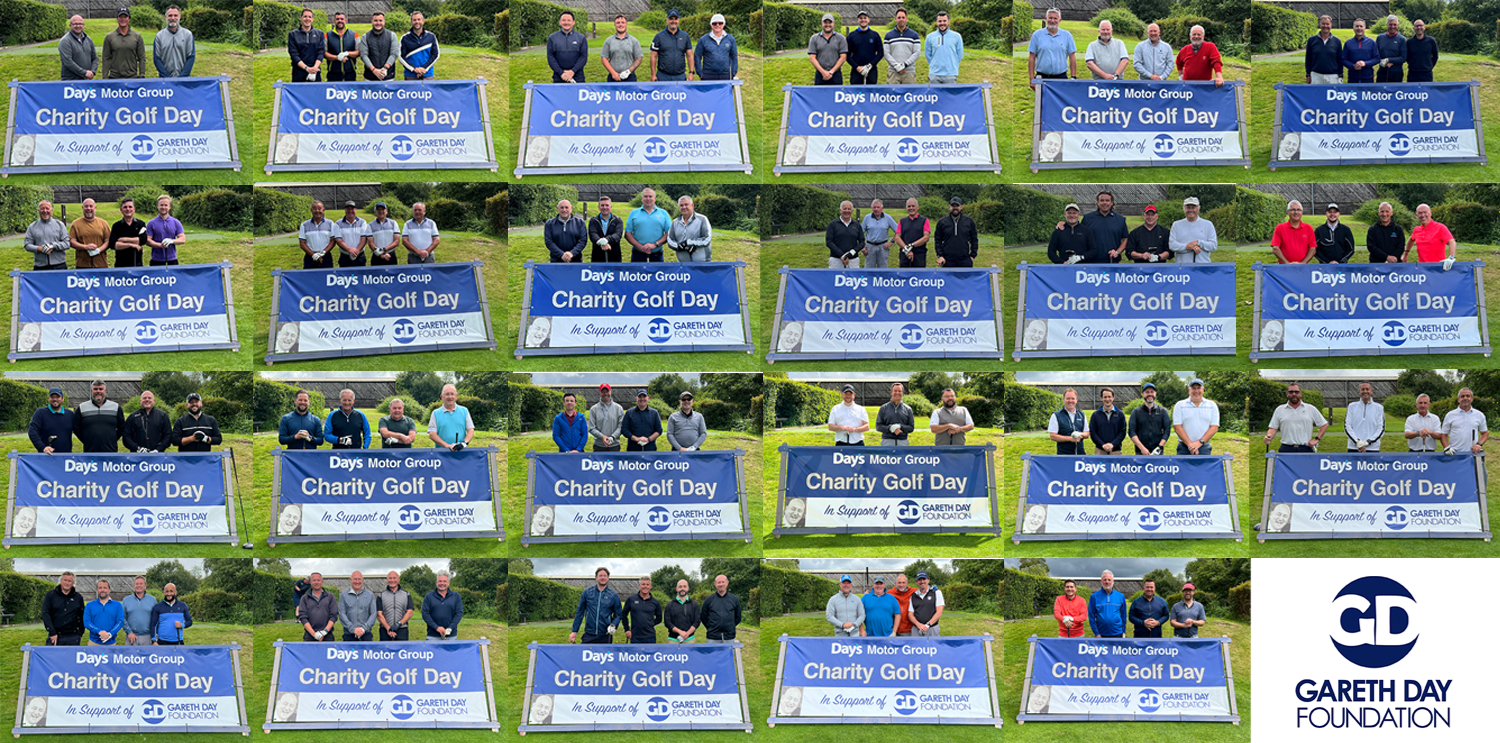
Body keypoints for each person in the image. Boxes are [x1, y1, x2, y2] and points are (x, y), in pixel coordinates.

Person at [1264, 383, 1329, 453]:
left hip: (1305, 449)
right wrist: (1269, 437)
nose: (1294, 394)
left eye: (1296, 392)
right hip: (1286, 449)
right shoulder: (1279, 410)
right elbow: (1273, 428)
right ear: (1287, 394)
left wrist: (1316, 439)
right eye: (1291, 392)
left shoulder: (1310, 408)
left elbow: (1324, 424)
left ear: (1300, 394)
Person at [569, 567, 620, 644]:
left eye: (605, 576)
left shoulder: (613, 595)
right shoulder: (587, 593)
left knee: (605, 655)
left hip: (605, 635)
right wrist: (574, 631)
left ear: (608, 578)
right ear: (596, 577)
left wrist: (613, 625)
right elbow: (580, 612)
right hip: (589, 634)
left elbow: (618, 614)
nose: (603, 578)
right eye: (600, 575)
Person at [1028, 8, 1074, 85]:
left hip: (1061, 77)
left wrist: (1073, 77)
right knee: (1042, 97)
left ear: (1059, 20)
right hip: (1042, 77)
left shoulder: (1067, 35)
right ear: (1046, 19)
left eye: (1055, 18)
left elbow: (1072, 56)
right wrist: (1032, 79)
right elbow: (1031, 57)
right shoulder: (1037, 35)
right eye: (1050, 18)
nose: (1052, 21)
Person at [1173, 378, 1220, 454]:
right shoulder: (1180, 405)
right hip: (1184, 448)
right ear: (1189, 390)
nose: (1196, 391)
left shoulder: (1212, 405)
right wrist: (1190, 445)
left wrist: (1199, 443)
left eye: (1199, 388)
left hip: (1204, 447)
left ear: (1203, 390)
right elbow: (1177, 428)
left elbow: (1214, 428)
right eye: (1193, 388)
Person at [75, 380, 124, 453]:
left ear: (105, 390)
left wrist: (112, 439)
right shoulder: (82, 407)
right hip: (89, 451)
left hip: (111, 451)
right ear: (91, 391)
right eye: (95, 389)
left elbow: (122, 427)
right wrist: (87, 440)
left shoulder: (116, 407)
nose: (98, 391)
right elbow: (76, 428)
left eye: (101, 389)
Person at [625, 189, 672, 263]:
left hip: (657, 254)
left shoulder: (663, 213)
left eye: (650, 196)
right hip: (638, 254)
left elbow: (669, 233)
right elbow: (628, 234)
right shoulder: (633, 213)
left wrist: (655, 245)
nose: (648, 199)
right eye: (645, 196)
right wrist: (641, 247)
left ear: (655, 198)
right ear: (642, 198)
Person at [1404, 204, 1457, 268]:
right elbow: (1411, 239)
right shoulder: (1416, 229)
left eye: (1425, 212)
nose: (1423, 215)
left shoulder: (1440, 227)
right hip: (1422, 268)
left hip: (1437, 267)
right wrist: (1405, 254)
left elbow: (1452, 241)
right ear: (1417, 215)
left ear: (1430, 213)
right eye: (1420, 213)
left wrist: (1451, 257)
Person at [1082, 191, 1128, 262]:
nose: (1104, 203)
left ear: (1112, 203)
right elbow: (1078, 234)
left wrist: (1117, 252)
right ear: (1097, 202)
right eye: (1102, 200)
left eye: (1107, 200)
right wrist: (1063, 223)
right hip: (1091, 262)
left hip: (1112, 261)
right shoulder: (1087, 218)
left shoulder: (1120, 219)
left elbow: (1125, 239)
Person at [1169, 196, 1217, 263]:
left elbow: (1213, 246)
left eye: (1193, 207)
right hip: (1182, 268)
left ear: (1198, 209)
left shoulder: (1208, 224)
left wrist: (1198, 243)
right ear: (1184, 209)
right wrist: (1187, 247)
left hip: (1203, 267)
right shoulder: (1176, 225)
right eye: (1188, 207)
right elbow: (1172, 245)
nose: (1190, 210)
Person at [24, 201, 70, 271]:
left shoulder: (60, 225)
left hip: (59, 265)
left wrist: (53, 245)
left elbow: (67, 244)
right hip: (40, 266)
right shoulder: (32, 226)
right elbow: (27, 245)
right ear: (39, 210)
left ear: (51, 210)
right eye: (42, 209)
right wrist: (40, 248)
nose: (45, 211)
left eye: (47, 208)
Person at [1127, 383, 1172, 455]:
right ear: (1143, 394)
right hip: (1140, 452)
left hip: (1157, 452)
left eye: (1152, 392)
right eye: (1147, 392)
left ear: (1155, 393)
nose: (1150, 394)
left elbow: (1167, 431)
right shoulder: (1136, 412)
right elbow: (1131, 431)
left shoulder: (1163, 411)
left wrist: (1159, 447)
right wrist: (1142, 448)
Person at [42, 572, 86, 646]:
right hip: (55, 636)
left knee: (71, 658)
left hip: (73, 637)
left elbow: (82, 616)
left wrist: (80, 633)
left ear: (73, 583)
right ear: (61, 581)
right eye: (65, 580)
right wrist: (52, 632)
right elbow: (45, 613)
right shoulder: (50, 595)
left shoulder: (78, 598)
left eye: (69, 581)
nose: (67, 583)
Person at [1441, 387, 1488, 455]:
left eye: (1468, 396)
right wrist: (1446, 447)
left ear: (1471, 399)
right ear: (1458, 399)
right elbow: (1443, 434)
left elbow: (1485, 433)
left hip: (1472, 454)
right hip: (1454, 454)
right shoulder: (1450, 415)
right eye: (1462, 396)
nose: (1465, 398)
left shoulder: (1479, 415)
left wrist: (1479, 444)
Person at [935, 197, 978, 268]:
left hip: (965, 260)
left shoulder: (969, 221)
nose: (955, 208)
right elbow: (938, 240)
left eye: (957, 206)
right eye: (953, 206)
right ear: (949, 207)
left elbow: (974, 239)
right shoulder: (942, 222)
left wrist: (973, 256)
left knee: (965, 279)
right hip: (947, 260)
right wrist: (940, 256)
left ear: (961, 207)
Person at [652, 9, 695, 81]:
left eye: (676, 19)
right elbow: (653, 56)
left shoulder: (685, 36)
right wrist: (653, 74)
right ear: (667, 20)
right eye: (671, 19)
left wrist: (691, 72)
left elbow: (690, 55)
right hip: (663, 75)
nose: (673, 21)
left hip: (680, 76)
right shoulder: (659, 37)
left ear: (679, 20)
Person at [429, 385, 475, 451]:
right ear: (442, 397)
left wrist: (463, 444)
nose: (450, 397)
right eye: (447, 394)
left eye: (452, 394)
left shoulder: (464, 411)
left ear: (456, 396)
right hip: (442, 454)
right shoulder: (435, 413)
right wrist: (447, 446)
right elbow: (432, 434)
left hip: (461, 453)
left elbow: (471, 430)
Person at [102, 8, 145, 79]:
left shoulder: (137, 36)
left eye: (125, 17)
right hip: (115, 77)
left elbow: (142, 58)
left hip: (132, 77)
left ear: (129, 19)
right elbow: (106, 58)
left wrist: (142, 75)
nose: (123, 19)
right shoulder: (110, 37)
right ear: (117, 19)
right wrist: (105, 77)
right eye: (120, 17)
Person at [667, 195, 713, 262]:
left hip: (702, 264)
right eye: (681, 205)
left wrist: (689, 243)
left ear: (692, 205)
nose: (684, 207)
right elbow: (670, 239)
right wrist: (678, 246)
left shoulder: (702, 219)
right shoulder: (675, 222)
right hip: (683, 265)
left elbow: (707, 239)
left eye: (686, 204)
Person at [68, 199, 111, 269]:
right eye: (86, 206)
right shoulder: (76, 224)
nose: (88, 208)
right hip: (82, 264)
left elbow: (108, 240)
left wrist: (99, 250)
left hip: (101, 264)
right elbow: (71, 241)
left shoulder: (103, 223)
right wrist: (85, 247)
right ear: (82, 208)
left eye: (91, 206)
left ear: (95, 208)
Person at [1269, 200, 1316, 264]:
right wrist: (1287, 263)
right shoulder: (1280, 228)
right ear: (1288, 212)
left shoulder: (1308, 228)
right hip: (1284, 267)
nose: (1296, 212)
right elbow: (1275, 248)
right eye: (1293, 210)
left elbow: (1313, 249)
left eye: (1298, 210)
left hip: (1303, 267)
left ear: (1302, 212)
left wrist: (1303, 263)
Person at [884, 8, 921, 84]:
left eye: (903, 17)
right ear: (895, 19)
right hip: (893, 73)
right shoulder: (888, 35)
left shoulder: (914, 35)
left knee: (909, 94)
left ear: (906, 19)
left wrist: (904, 65)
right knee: (892, 95)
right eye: (899, 17)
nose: (901, 19)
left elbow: (916, 53)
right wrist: (896, 66)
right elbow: (886, 53)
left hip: (909, 72)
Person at [108, 197, 148, 268]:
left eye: (130, 207)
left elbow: (143, 240)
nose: (128, 209)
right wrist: (131, 245)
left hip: (137, 263)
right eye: (125, 207)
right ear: (121, 210)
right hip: (121, 264)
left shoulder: (141, 224)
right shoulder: (116, 226)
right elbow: (113, 244)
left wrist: (124, 240)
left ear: (134, 209)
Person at [145, 195, 185, 266]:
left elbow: (182, 239)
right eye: (161, 205)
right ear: (157, 206)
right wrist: (159, 245)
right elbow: (147, 241)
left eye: (166, 205)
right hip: (156, 260)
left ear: (169, 207)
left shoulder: (175, 222)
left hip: (172, 259)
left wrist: (172, 241)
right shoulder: (151, 223)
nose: (163, 207)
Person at [547, 11, 586, 82]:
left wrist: (572, 71)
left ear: (573, 22)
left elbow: (583, 57)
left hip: (578, 77)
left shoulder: (581, 38)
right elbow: (550, 57)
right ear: (560, 22)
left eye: (569, 20)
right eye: (564, 20)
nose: (566, 23)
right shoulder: (552, 38)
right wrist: (561, 73)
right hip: (559, 77)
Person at [621, 577, 663, 644]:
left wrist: (650, 624)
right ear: (639, 585)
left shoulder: (655, 602)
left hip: (650, 637)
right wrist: (627, 630)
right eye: (643, 584)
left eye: (647, 584)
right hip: (635, 636)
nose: (645, 586)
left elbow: (659, 618)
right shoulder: (631, 599)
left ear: (650, 586)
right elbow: (623, 614)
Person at [700, 574, 741, 643]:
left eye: (723, 582)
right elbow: (703, 617)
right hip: (712, 637)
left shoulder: (734, 599)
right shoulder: (709, 600)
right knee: (712, 654)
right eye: (719, 582)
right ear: (715, 584)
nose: (721, 584)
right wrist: (710, 627)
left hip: (729, 637)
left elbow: (738, 617)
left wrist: (730, 626)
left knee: (728, 654)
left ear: (727, 583)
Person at [695, 14, 738, 80]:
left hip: (725, 75)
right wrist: (700, 73)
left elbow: (734, 56)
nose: (717, 25)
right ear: (711, 25)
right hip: (708, 75)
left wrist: (733, 73)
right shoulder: (703, 40)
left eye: (720, 23)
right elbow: (697, 56)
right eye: (714, 23)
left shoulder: (730, 39)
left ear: (723, 24)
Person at [808, 14, 847, 85]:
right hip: (820, 74)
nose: (828, 25)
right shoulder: (814, 38)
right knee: (819, 95)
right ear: (822, 23)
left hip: (836, 74)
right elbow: (812, 58)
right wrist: (823, 72)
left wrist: (831, 72)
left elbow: (843, 57)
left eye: (830, 22)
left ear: (833, 23)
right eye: (825, 22)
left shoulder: (841, 38)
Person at [1346, 382, 1386, 452]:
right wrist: (1357, 442)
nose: (1365, 391)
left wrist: (1368, 442)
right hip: (1354, 448)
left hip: (1373, 448)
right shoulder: (1351, 406)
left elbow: (1381, 428)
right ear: (1359, 391)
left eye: (1367, 389)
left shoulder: (1379, 408)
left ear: (1371, 391)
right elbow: (1347, 427)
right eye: (1363, 389)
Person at [601, 15, 642, 82]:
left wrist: (628, 71)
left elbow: (639, 58)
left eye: (623, 22)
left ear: (626, 24)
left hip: (630, 77)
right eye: (618, 23)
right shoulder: (609, 41)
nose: (620, 25)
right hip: (613, 77)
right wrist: (613, 73)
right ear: (614, 24)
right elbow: (604, 58)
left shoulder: (634, 41)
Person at [421, 572, 463, 639]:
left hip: (451, 636)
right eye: (440, 581)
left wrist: (450, 628)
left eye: (444, 581)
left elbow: (459, 613)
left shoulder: (456, 596)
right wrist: (437, 628)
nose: (442, 583)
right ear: (436, 582)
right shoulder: (429, 596)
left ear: (448, 583)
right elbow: (425, 614)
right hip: (432, 636)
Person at [287, 9, 325, 82]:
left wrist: (314, 68)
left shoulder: (319, 34)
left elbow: (321, 52)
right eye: (305, 17)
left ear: (313, 19)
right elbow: (294, 54)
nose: (307, 19)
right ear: (301, 18)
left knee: (315, 93)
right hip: (299, 72)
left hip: (315, 71)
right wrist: (307, 68)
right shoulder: (293, 34)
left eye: (309, 17)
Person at [860, 199, 898, 269]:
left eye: (878, 207)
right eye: (874, 207)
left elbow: (898, 231)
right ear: (872, 208)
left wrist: (891, 242)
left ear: (882, 208)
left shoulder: (888, 218)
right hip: (870, 247)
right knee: (869, 270)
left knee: (883, 269)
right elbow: (860, 233)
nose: (876, 209)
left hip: (883, 247)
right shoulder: (867, 218)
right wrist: (862, 246)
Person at [357, 11, 396, 81]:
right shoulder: (365, 37)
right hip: (370, 77)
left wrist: (384, 69)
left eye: (380, 20)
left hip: (388, 76)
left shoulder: (392, 36)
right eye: (375, 20)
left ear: (384, 21)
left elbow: (394, 54)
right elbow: (363, 55)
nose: (378, 23)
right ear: (372, 22)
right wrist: (374, 70)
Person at [847, 11, 883, 84]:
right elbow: (847, 54)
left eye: (865, 18)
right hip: (856, 70)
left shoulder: (875, 35)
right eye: (861, 18)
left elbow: (880, 53)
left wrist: (870, 65)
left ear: (868, 19)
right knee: (857, 93)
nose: (863, 20)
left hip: (871, 70)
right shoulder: (851, 36)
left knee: (870, 92)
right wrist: (857, 67)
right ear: (858, 20)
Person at [1088, 570, 1127, 638]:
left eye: (1109, 580)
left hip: (1118, 633)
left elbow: (1124, 615)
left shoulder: (1120, 596)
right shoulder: (1094, 596)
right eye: (1104, 580)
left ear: (1113, 581)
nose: (1107, 582)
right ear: (1101, 582)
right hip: (1101, 634)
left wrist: (1123, 631)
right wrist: (1096, 633)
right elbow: (1091, 616)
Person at [1048, 388, 1088, 455]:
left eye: (1073, 398)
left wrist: (1079, 434)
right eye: (1068, 398)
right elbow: (1053, 436)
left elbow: (1087, 433)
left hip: (1080, 454)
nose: (1070, 401)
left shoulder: (1082, 414)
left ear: (1076, 400)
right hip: (1064, 455)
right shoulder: (1056, 415)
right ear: (1064, 399)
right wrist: (1071, 439)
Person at [400, 11, 439, 79]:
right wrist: (414, 69)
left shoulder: (431, 36)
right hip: (410, 74)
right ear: (411, 22)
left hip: (427, 74)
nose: (417, 22)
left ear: (423, 21)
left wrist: (424, 68)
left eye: (419, 19)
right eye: (414, 20)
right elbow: (401, 56)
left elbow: (436, 54)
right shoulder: (405, 38)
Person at [297, 573, 336, 641]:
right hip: (309, 635)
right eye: (314, 580)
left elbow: (333, 616)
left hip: (327, 635)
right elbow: (303, 617)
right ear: (310, 582)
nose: (316, 582)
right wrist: (314, 634)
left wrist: (324, 632)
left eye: (318, 580)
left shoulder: (330, 597)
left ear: (322, 582)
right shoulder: (304, 598)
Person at [339, 571, 377, 641]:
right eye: (355, 579)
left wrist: (363, 629)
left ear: (363, 580)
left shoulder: (370, 595)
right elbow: (342, 614)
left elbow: (373, 614)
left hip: (366, 635)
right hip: (349, 635)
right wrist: (353, 629)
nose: (357, 581)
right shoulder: (343, 595)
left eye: (359, 579)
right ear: (350, 580)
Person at [83, 579, 123, 646]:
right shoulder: (89, 605)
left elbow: (120, 621)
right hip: (93, 643)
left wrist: (110, 633)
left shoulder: (117, 605)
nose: (102, 590)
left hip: (111, 643)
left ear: (109, 589)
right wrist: (99, 631)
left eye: (105, 588)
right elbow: (87, 622)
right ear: (97, 589)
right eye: (100, 588)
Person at [377, 571, 414, 641]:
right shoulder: (381, 595)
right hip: (385, 631)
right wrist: (388, 628)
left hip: (402, 630)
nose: (392, 580)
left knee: (402, 651)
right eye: (390, 578)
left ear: (398, 579)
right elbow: (379, 614)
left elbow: (410, 612)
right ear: (387, 580)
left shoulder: (406, 595)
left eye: (394, 578)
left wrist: (398, 624)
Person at [59, 15, 98, 80]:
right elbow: (68, 62)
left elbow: (95, 58)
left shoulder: (88, 40)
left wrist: (92, 72)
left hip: (87, 80)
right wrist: (84, 73)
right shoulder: (65, 41)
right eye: (75, 24)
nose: (78, 26)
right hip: (71, 82)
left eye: (80, 24)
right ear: (70, 25)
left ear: (84, 25)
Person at [588, 384, 624, 453]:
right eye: (603, 392)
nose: (605, 394)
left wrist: (612, 437)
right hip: (599, 446)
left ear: (611, 392)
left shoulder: (619, 408)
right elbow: (592, 428)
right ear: (599, 392)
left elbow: (620, 427)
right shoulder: (593, 409)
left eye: (607, 391)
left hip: (614, 446)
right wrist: (602, 437)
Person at [896, 198, 931, 267]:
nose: (911, 208)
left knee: (919, 276)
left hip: (919, 255)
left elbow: (926, 237)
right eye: (909, 206)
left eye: (913, 206)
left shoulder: (924, 220)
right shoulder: (902, 221)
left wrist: (912, 245)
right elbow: (897, 237)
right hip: (905, 254)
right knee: (904, 276)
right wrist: (907, 250)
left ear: (917, 207)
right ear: (906, 208)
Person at [1305, 15, 1341, 84]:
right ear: (1320, 25)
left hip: (1332, 76)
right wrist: (1308, 74)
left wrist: (1340, 75)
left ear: (1331, 25)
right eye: (1323, 24)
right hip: (1316, 75)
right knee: (1316, 95)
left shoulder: (1337, 41)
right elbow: (1308, 59)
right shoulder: (1311, 40)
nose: (1325, 26)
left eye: (1327, 24)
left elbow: (1339, 59)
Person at [1090, 387, 1126, 455]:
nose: (1107, 399)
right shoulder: (1095, 415)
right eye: (1105, 397)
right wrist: (1102, 445)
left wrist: (1113, 444)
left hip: (1116, 451)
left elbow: (1122, 432)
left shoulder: (1120, 414)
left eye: (1109, 397)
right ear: (1101, 398)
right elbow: (1093, 433)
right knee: (1100, 465)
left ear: (1113, 397)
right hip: (1100, 450)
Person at [324, 12, 359, 82]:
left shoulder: (354, 35)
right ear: (334, 21)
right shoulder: (327, 35)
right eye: (337, 19)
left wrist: (347, 53)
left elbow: (359, 52)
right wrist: (336, 58)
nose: (340, 21)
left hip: (350, 72)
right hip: (333, 72)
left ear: (345, 20)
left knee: (350, 92)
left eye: (342, 19)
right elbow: (324, 53)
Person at [587, 197, 624, 263]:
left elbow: (617, 235)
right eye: (602, 205)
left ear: (611, 207)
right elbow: (593, 234)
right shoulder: (593, 220)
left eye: (607, 205)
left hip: (614, 257)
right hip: (597, 257)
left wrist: (607, 240)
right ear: (599, 207)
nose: (604, 207)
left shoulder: (618, 220)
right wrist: (601, 241)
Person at [826, 201, 862, 268]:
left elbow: (862, 242)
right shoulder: (832, 224)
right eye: (844, 209)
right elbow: (829, 242)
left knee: (853, 278)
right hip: (836, 259)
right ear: (840, 210)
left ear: (852, 211)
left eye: (849, 209)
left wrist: (851, 254)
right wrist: (841, 255)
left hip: (853, 260)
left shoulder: (857, 225)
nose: (847, 211)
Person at [299, 201, 334, 269]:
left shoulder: (330, 223)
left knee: (326, 278)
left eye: (319, 208)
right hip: (310, 257)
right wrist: (313, 255)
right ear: (311, 210)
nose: (317, 211)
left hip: (326, 257)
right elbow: (302, 243)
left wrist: (324, 252)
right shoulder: (304, 225)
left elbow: (333, 241)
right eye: (315, 209)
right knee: (310, 278)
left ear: (323, 210)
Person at [121, 576, 155, 647]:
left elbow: (155, 619)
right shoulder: (126, 600)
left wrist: (154, 637)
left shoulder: (152, 600)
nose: (138, 585)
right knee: (130, 657)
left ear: (145, 586)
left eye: (141, 584)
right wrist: (129, 632)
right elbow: (122, 618)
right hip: (131, 637)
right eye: (137, 584)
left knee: (146, 657)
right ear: (134, 586)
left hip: (147, 637)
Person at [332, 201, 367, 267]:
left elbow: (364, 238)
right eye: (348, 209)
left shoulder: (362, 222)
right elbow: (339, 240)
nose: (350, 211)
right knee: (345, 277)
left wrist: (357, 250)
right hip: (345, 257)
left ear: (355, 210)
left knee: (360, 276)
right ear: (345, 210)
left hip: (360, 256)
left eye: (352, 209)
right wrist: (349, 250)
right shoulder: (338, 223)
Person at [909, 571, 943, 637]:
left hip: (932, 628)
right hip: (917, 629)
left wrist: (928, 624)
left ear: (928, 580)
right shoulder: (913, 596)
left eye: (924, 579)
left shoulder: (936, 592)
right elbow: (910, 614)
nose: (922, 582)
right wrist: (918, 625)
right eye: (919, 580)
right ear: (917, 582)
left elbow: (939, 612)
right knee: (916, 647)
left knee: (933, 647)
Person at [1342, 18, 1377, 84]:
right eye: (1357, 26)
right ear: (1353, 28)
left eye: (1361, 26)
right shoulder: (1348, 43)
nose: (1359, 28)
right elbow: (1343, 59)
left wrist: (1365, 63)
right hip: (1353, 77)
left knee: (1366, 94)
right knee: (1353, 93)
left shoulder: (1371, 42)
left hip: (1368, 77)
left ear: (1365, 28)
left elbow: (1377, 58)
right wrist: (1353, 66)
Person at [1376, 15, 1406, 82]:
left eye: (1394, 25)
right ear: (1387, 25)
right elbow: (1376, 55)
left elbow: (1403, 58)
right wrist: (1383, 62)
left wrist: (1389, 60)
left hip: (1396, 72)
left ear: (1398, 25)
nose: (1392, 27)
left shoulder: (1402, 39)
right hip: (1382, 71)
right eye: (1390, 24)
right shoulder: (1380, 38)